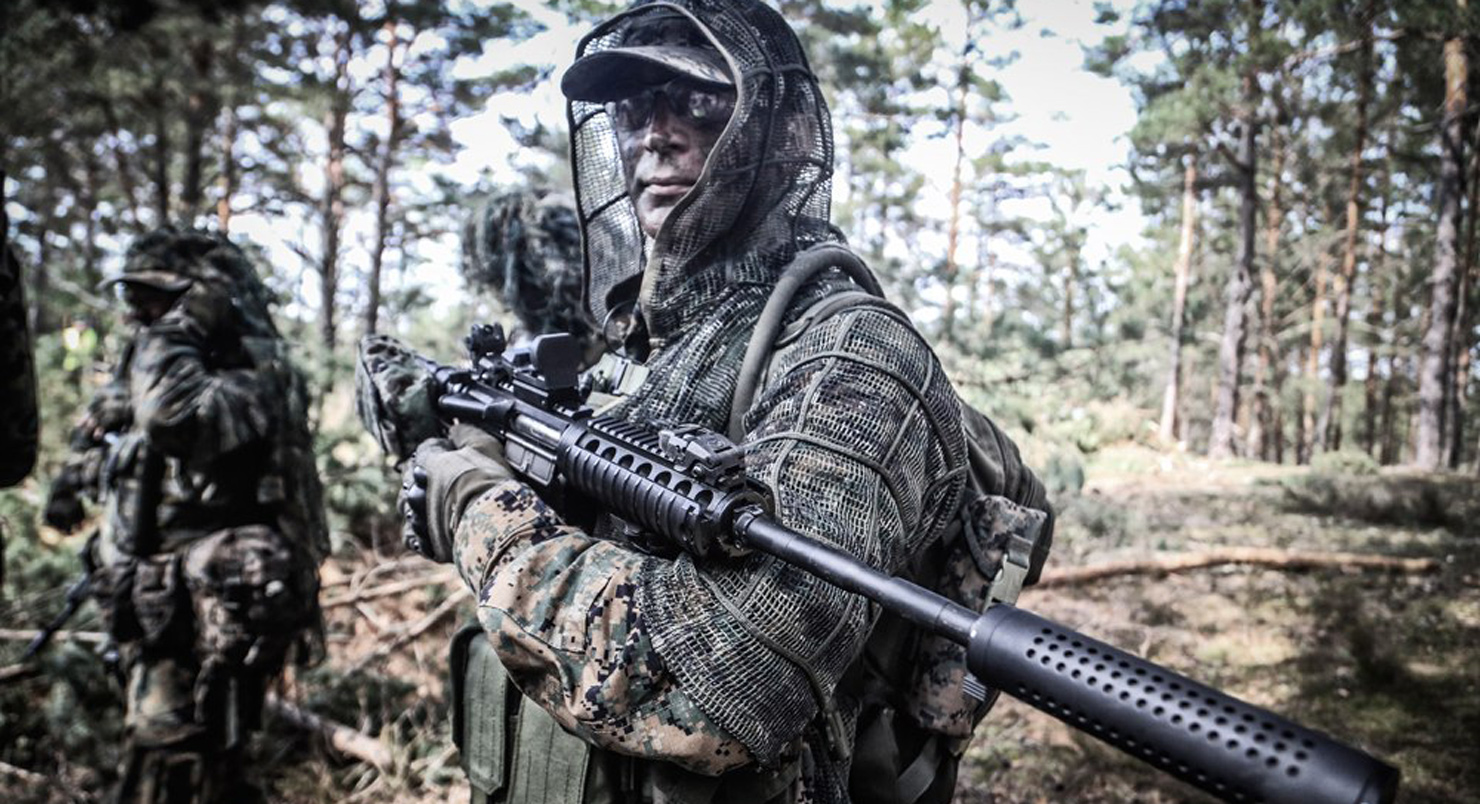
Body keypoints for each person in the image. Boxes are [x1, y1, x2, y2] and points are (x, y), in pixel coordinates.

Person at [369, 2, 1049, 802]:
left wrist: (479, 507)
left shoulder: (853, 357)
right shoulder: (654, 336)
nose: (654, 132)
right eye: (633, 107)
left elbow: (722, 687)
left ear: (785, 131)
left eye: (695, 101)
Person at [44, 227, 327, 804]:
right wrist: (73, 481)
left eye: (162, 296)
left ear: (208, 299)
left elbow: (171, 420)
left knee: (179, 757)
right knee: (165, 753)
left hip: (204, 612)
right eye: (136, 296)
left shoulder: (246, 375)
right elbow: (111, 429)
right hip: (147, 602)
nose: (140, 310)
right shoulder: (157, 363)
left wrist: (185, 324)